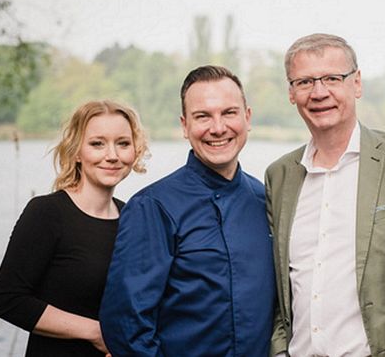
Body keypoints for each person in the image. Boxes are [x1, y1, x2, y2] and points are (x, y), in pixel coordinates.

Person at [267, 33, 385, 356]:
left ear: (357, 83)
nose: (319, 92)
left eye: (332, 78)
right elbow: (279, 286)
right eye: (305, 82)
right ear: (291, 93)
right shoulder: (279, 176)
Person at [100, 65, 275, 357]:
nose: (218, 128)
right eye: (203, 116)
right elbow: (126, 325)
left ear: (247, 118)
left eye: (229, 113)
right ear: (184, 126)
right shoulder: (153, 207)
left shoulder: (264, 199)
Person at [0, 100, 149, 356]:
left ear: (135, 151)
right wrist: (96, 333)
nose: (112, 155)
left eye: (123, 143)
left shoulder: (132, 216)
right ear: (77, 151)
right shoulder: (47, 213)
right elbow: (8, 299)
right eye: (97, 143)